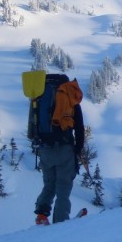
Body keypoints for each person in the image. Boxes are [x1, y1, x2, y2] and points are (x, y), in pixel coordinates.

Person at [34, 79, 84, 225]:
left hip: (45, 149)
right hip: (64, 148)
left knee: (49, 183)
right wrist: (78, 149)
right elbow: (79, 127)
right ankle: (61, 222)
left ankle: (41, 215)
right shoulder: (70, 97)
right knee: (63, 186)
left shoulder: (40, 97)